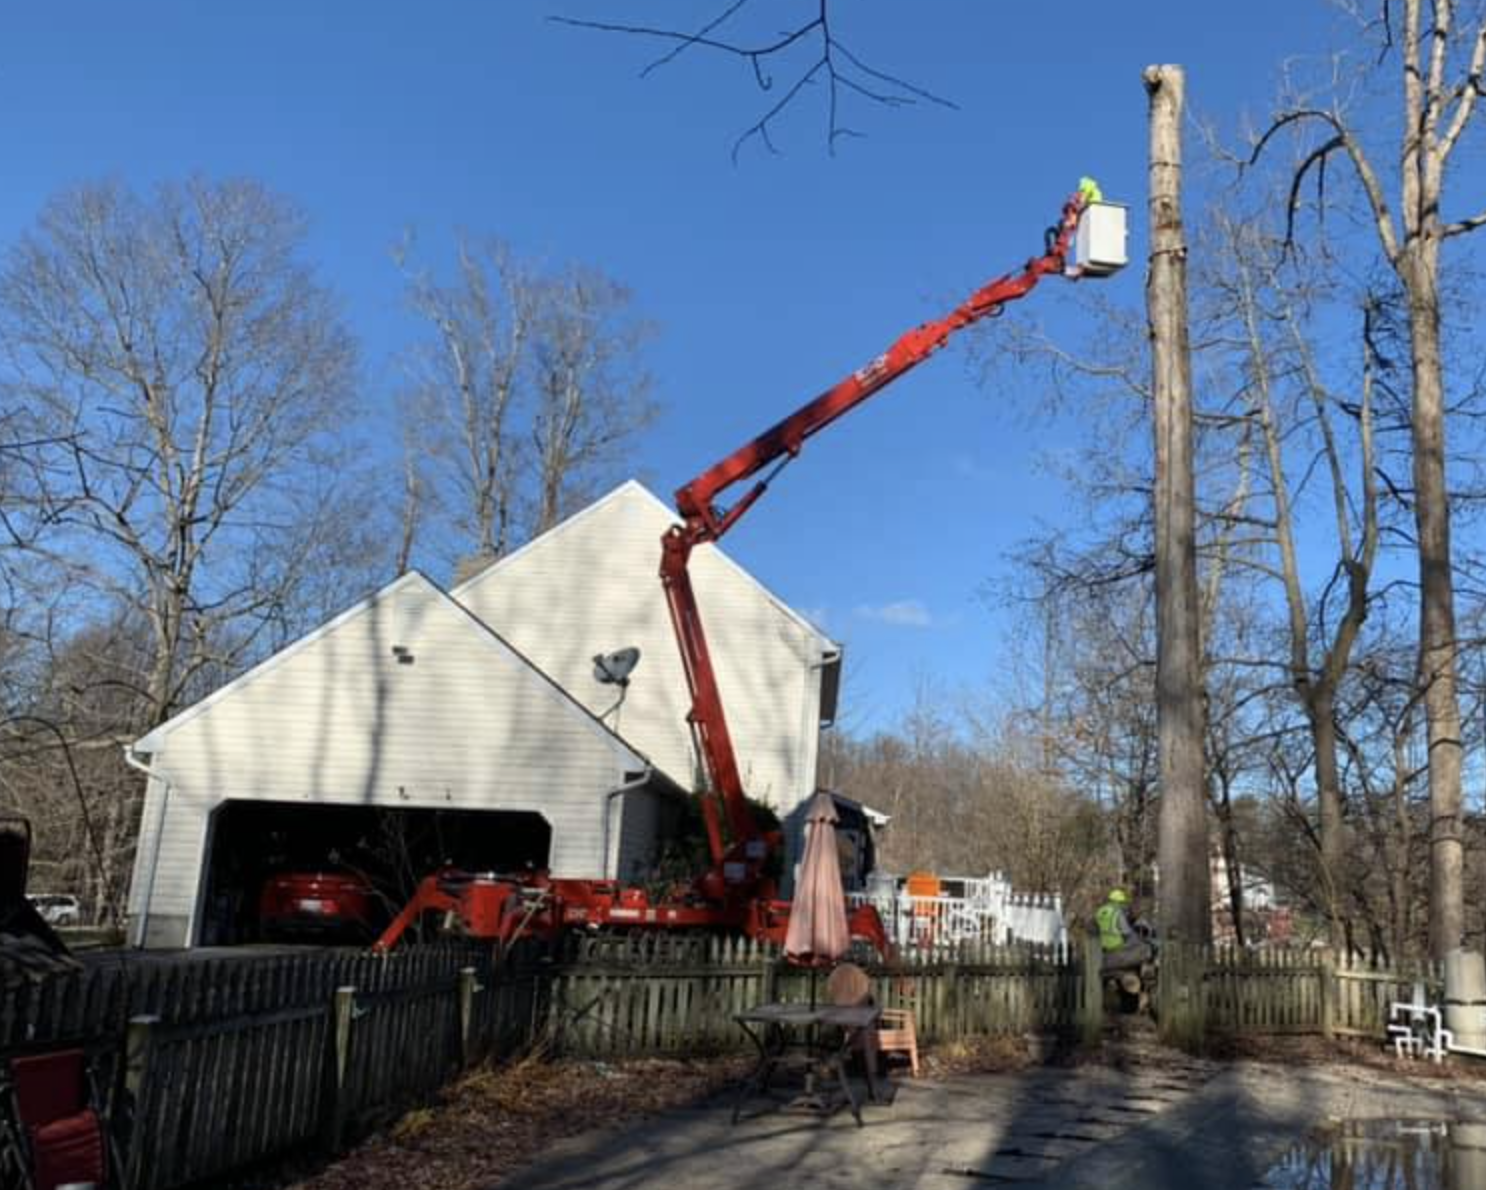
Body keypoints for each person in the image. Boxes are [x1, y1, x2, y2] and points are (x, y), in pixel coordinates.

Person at [1095, 888, 1152, 972]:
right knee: (1145, 947)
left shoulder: (1100, 911)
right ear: (1118, 902)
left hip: (1104, 947)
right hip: (1117, 946)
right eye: (1122, 903)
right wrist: (1139, 939)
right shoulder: (1117, 913)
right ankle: (1145, 971)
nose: (1123, 905)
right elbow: (1127, 932)